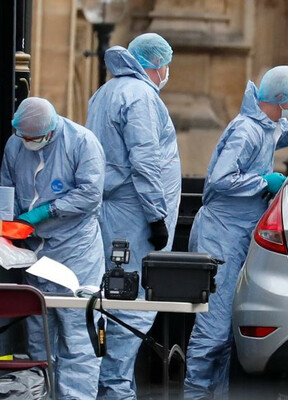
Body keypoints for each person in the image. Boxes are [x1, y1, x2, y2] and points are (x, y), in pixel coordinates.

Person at [184, 65, 288, 399]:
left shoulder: (267, 124)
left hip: (237, 234)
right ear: (282, 99)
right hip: (221, 235)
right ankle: (196, 393)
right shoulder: (245, 131)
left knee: (228, 333)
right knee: (213, 332)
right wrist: (264, 181)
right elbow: (219, 179)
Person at [85, 32, 181, 399]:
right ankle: (115, 389)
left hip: (112, 212)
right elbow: (145, 161)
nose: (166, 71)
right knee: (130, 305)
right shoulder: (140, 97)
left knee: (110, 298)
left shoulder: (106, 91)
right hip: (134, 215)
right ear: (155, 65)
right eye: (165, 64)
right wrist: (157, 218)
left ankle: (107, 385)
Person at [1, 97, 106, 400]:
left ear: (49, 131)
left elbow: (90, 194)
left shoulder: (82, 143)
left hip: (76, 251)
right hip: (35, 253)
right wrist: (7, 226)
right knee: (40, 335)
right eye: (25, 138)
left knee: (78, 335)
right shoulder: (15, 144)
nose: (29, 143)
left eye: (34, 138)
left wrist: (44, 212)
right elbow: (7, 188)